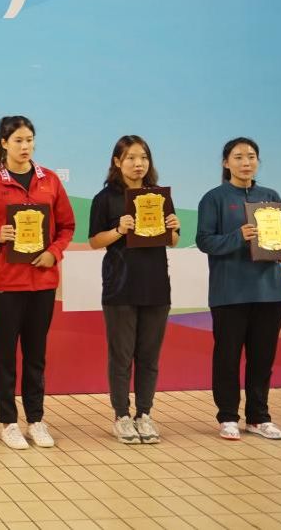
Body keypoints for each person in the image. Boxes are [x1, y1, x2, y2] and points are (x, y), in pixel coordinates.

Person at [0, 116, 75, 450]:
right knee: (6, 356)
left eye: (29, 140)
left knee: (36, 356)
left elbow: (67, 226)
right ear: (4, 143)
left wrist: (54, 252)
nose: (25, 147)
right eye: (18, 141)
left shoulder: (49, 180)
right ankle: (9, 422)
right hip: (5, 285)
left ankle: (36, 419)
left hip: (42, 283)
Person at [196, 137, 281, 440]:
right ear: (226, 163)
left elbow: (279, 239)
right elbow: (205, 241)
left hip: (270, 292)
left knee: (262, 359)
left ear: (258, 162)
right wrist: (238, 236)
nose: (245, 162)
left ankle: (258, 417)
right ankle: (227, 416)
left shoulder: (270, 196)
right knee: (227, 358)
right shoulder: (214, 198)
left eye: (251, 156)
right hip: (230, 293)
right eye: (238, 157)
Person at [87, 135, 180, 444]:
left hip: (156, 286)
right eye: (131, 158)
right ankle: (122, 416)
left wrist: (173, 227)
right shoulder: (106, 198)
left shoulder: (159, 196)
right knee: (121, 356)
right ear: (117, 162)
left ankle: (144, 414)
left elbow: (173, 240)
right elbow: (94, 241)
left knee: (149, 357)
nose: (138, 164)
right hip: (120, 287)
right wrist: (119, 229)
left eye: (143, 157)